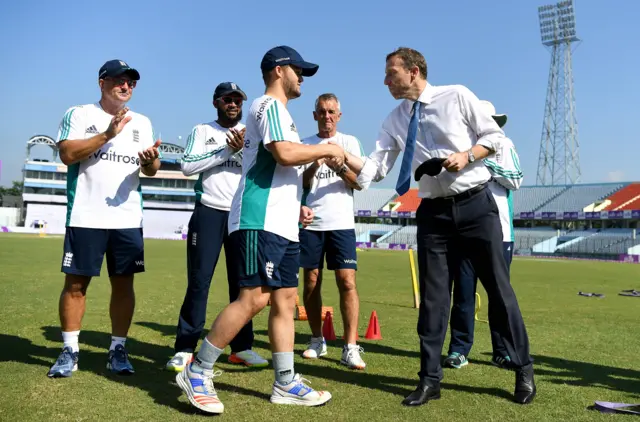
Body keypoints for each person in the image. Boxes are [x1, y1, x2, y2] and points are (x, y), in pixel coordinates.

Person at [352, 47, 536, 406]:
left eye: (392, 73)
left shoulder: (458, 96)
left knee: (499, 292)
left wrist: (467, 156)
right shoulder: (394, 119)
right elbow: (377, 165)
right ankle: (429, 380)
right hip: (433, 214)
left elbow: (494, 138)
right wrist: (346, 163)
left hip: (476, 206)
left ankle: (524, 369)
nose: (386, 80)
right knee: (434, 300)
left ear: (415, 71)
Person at [175, 46, 344, 414]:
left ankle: (285, 382)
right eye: (299, 71)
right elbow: (283, 153)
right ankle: (198, 370)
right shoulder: (268, 107)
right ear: (280, 70)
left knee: (284, 300)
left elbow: (287, 167)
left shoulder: (281, 113)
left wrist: (301, 192)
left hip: (282, 223)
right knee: (252, 298)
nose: (302, 78)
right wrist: (325, 150)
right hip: (258, 218)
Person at [48, 59, 162, 378]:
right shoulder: (80, 114)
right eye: (119, 80)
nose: (125, 86)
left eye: (131, 82)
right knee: (76, 284)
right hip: (86, 215)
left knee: (124, 284)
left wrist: (151, 162)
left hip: (127, 218)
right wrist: (107, 134)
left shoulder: (142, 122)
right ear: (102, 82)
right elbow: (67, 154)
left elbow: (150, 171)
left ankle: (118, 349)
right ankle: (69, 350)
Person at [166, 82, 268, 372]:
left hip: (242, 216)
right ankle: (185, 348)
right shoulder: (203, 131)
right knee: (200, 281)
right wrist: (227, 150)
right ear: (216, 102)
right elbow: (187, 167)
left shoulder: (253, 134)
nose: (233, 104)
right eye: (228, 99)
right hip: (209, 212)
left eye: (238, 100)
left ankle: (242, 348)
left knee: (244, 287)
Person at [444, 100, 524, 370]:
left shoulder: (505, 144)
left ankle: (502, 351)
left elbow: (517, 178)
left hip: (499, 233)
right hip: (465, 230)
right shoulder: (462, 146)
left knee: (499, 296)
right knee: (464, 293)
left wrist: (486, 165)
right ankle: (459, 349)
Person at [299, 93, 366, 369]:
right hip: (312, 224)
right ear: (314, 115)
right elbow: (300, 183)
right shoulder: (304, 144)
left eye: (331, 112)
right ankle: (317, 340)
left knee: (347, 281)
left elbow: (359, 183)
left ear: (339, 115)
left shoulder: (349, 143)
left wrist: (339, 167)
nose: (326, 116)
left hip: (341, 224)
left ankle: (350, 347)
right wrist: (315, 164)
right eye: (322, 112)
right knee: (311, 282)